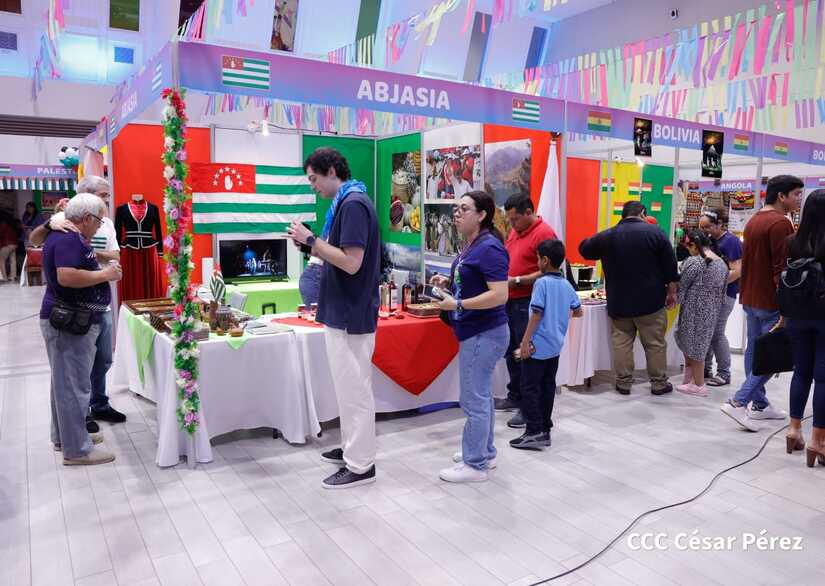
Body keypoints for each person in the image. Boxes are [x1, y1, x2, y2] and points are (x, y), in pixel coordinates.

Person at [286, 147, 380, 489]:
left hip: (350, 314)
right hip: (344, 311)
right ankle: (353, 447)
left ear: (330, 171)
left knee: (354, 390)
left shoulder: (353, 204)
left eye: (314, 179)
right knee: (349, 389)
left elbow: (351, 263)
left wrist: (312, 239)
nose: (313, 186)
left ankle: (361, 465)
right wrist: (308, 244)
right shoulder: (346, 202)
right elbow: (337, 253)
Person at [30, 176, 127, 431]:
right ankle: (80, 418)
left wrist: (91, 252)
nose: (107, 199)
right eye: (103, 195)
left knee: (103, 360)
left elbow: (115, 254)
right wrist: (50, 224)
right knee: (75, 371)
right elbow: (37, 241)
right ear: (86, 197)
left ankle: (98, 403)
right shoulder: (65, 222)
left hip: (99, 308)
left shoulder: (104, 222)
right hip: (75, 309)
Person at [431, 191, 509, 483]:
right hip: (477, 331)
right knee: (481, 395)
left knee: (473, 399)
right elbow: (476, 282)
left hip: (483, 332)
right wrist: (449, 283)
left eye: (463, 209)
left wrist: (458, 304)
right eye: (455, 208)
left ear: (482, 214)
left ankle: (474, 465)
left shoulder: (489, 247)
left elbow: (499, 295)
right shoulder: (473, 245)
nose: (456, 213)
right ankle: (484, 452)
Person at [721, 175, 803, 431]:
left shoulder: (754, 220)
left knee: (755, 352)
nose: (799, 199)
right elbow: (782, 269)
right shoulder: (781, 223)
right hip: (770, 301)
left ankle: (759, 404)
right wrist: (786, 305)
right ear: (781, 196)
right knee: (773, 356)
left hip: (751, 297)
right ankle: (738, 402)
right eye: (796, 194)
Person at [579, 201, 679, 395]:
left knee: (622, 343)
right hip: (651, 301)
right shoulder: (656, 234)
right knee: (655, 344)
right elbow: (670, 267)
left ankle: (623, 383)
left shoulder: (608, 235)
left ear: (623, 215)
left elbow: (584, 249)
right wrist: (672, 293)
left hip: (619, 301)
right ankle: (658, 383)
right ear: (642, 213)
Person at [510, 239, 582, 450]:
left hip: (537, 345)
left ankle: (534, 431)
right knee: (548, 386)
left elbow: (537, 314)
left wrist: (525, 341)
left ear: (545, 260)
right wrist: (559, 318)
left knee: (529, 388)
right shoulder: (566, 285)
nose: (536, 263)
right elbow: (578, 311)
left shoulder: (541, 283)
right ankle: (544, 427)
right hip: (555, 346)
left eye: (537, 259)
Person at [495, 193, 558, 431]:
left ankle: (529, 407)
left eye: (515, 219)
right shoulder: (515, 231)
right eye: (510, 220)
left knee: (527, 354)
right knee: (512, 352)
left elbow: (550, 270)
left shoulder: (544, 234)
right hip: (510, 301)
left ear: (529, 213)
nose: (512, 225)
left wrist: (518, 280)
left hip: (529, 301)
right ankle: (515, 395)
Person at [776, 190, 825, 464]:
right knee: (824, 378)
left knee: (801, 373)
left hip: (797, 316)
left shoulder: (792, 242)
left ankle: (794, 430)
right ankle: (819, 441)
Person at [674, 230, 729, 397]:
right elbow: (723, 290)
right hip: (712, 310)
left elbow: (682, 286)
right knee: (700, 345)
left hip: (693, 310)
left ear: (694, 245)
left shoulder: (696, 262)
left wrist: (675, 300)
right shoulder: (721, 263)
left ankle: (698, 385)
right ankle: (690, 380)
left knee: (693, 346)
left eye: (688, 246)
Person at [699, 208, 743, 386]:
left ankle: (724, 372)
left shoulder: (731, 242)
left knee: (717, 332)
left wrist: (718, 283)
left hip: (725, 294)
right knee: (709, 331)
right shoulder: (711, 241)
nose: (705, 230)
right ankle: (706, 368)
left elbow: (737, 271)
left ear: (719, 224)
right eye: (702, 227)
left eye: (708, 226)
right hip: (713, 293)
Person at [0, 214, 19, 281]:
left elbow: (1, 234)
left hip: (7, 244)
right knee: (12, 261)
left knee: (1, 261)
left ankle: (4, 277)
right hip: (14, 244)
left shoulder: (3, 224)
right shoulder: (12, 225)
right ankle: (13, 276)